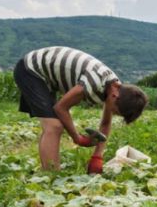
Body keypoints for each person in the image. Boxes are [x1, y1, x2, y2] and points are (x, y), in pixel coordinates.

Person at [13, 47, 148, 173]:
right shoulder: (94, 82)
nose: (111, 113)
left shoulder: (114, 88)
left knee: (53, 125)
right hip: (30, 70)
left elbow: (106, 124)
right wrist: (77, 138)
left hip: (46, 78)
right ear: (115, 96)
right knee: (54, 126)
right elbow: (61, 108)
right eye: (115, 111)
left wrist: (97, 157)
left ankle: (49, 171)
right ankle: (50, 175)